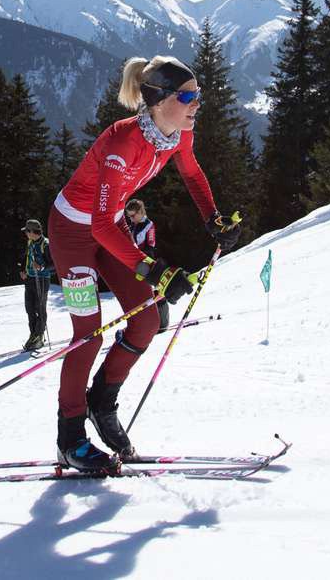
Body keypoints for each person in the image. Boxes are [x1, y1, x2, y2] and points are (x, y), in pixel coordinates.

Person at [46, 55, 242, 473]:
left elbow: (191, 174)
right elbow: (97, 225)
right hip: (73, 234)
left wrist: (213, 219)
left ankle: (102, 402)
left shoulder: (177, 134)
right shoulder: (122, 143)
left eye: (198, 95)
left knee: (148, 319)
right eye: (187, 96)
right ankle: (70, 436)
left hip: (109, 229)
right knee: (88, 334)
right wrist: (153, 270)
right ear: (157, 101)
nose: (196, 104)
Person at [123, 199, 169, 331]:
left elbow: (151, 246)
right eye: (128, 216)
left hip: (146, 264)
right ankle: (141, 324)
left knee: (154, 292)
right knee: (136, 295)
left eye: (132, 216)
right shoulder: (132, 225)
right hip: (133, 264)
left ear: (140, 212)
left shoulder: (149, 225)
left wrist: (143, 261)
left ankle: (162, 324)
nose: (131, 219)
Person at [19, 219, 55, 350]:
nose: (26, 234)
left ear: (33, 232)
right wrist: (23, 270)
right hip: (30, 279)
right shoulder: (30, 242)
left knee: (40, 308)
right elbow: (26, 257)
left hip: (42, 280)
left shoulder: (45, 245)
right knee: (29, 308)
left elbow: (54, 265)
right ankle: (33, 334)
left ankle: (39, 335)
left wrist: (40, 267)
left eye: (27, 231)